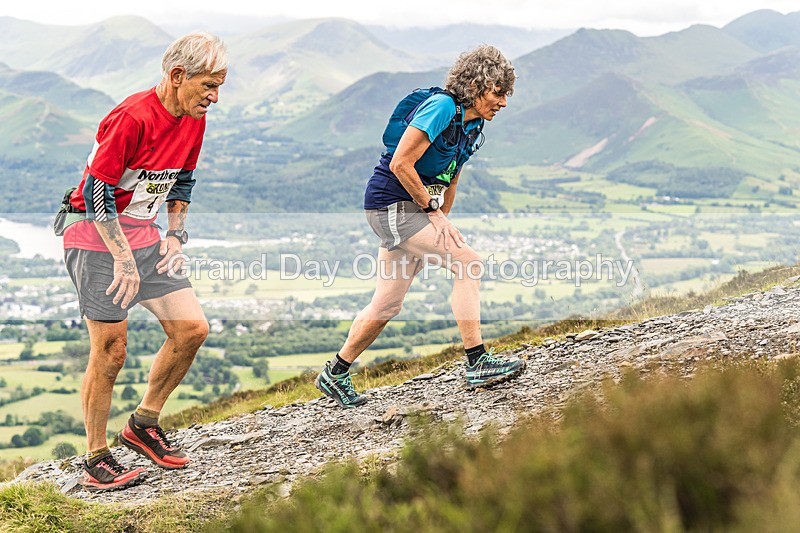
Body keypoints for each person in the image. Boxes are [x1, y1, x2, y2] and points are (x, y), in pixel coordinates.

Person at [60, 32, 227, 491]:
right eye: (208, 86)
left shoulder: (194, 119)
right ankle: (96, 456)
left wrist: (174, 236)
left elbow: (182, 182)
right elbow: (97, 191)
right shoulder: (132, 117)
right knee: (112, 350)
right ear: (177, 76)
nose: (214, 98)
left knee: (192, 329)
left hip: (147, 239)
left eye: (219, 87)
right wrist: (124, 259)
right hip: (95, 241)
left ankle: (143, 423)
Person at [315, 45, 525, 409]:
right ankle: (477, 362)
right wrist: (433, 213)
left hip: (412, 209)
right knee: (469, 263)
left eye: (507, 94)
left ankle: (335, 372)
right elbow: (401, 163)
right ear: (476, 84)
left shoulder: (473, 125)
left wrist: (441, 219)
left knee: (387, 303)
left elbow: (451, 179)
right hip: (390, 204)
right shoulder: (442, 107)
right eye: (498, 92)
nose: (504, 102)